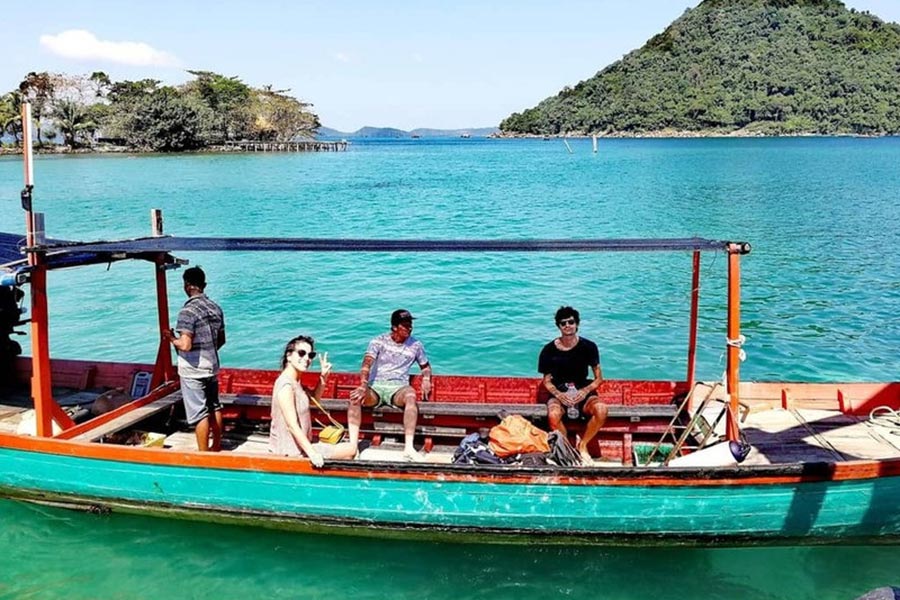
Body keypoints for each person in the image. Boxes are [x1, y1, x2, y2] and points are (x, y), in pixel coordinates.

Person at [348, 309, 432, 462]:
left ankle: (408, 448)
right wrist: (362, 386)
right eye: (405, 325)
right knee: (355, 397)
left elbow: (425, 366)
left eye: (410, 325)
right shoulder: (378, 341)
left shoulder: (416, 345)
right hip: (375, 387)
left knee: (411, 396)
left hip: (398, 388)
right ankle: (353, 446)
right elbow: (367, 363)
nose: (409, 328)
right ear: (394, 327)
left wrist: (426, 378)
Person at [163, 266, 226, 452]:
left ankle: (203, 453)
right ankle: (217, 446)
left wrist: (171, 338)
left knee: (200, 413)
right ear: (204, 285)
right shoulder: (215, 307)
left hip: (193, 370)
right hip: (212, 366)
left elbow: (185, 345)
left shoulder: (187, 312)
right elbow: (221, 340)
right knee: (214, 406)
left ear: (187, 285)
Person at [269, 335, 357, 466]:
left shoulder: (296, 382)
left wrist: (323, 377)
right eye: (301, 353)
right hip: (291, 450)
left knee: (348, 451)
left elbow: (314, 400)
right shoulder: (286, 386)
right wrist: (312, 453)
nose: (306, 359)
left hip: (302, 445)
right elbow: (292, 425)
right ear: (289, 356)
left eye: (310, 355)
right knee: (352, 450)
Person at [538, 306, 608, 463]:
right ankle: (568, 449)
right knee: (553, 415)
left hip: (583, 391)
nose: (567, 325)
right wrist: (559, 395)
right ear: (558, 326)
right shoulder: (548, 350)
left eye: (571, 322)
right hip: (560, 392)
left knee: (601, 409)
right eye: (563, 323)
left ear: (577, 324)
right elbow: (547, 382)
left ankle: (582, 446)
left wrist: (584, 392)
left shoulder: (589, 347)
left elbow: (599, 378)